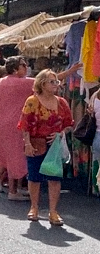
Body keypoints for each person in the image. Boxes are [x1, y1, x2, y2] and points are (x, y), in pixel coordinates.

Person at [0, 58, 79, 200]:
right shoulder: (24, 82)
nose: (26, 67)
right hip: (15, 124)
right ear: (16, 69)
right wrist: (71, 71)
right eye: (24, 65)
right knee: (16, 156)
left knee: (4, 156)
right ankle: (13, 191)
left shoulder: (1, 82)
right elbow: (49, 80)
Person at [18, 69, 74, 226]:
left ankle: (53, 211)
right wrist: (27, 143)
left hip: (54, 145)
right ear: (42, 83)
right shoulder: (32, 101)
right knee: (34, 177)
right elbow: (24, 125)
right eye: (52, 81)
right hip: (36, 144)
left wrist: (61, 133)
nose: (56, 84)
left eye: (56, 81)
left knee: (54, 178)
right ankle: (34, 207)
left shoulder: (62, 102)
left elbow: (69, 124)